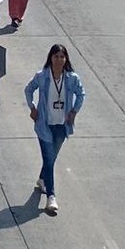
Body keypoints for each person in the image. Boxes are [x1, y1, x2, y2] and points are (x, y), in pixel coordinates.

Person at [24, 44, 85, 213]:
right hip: (44, 124)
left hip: (61, 125)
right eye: (56, 56)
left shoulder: (71, 78)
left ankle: (43, 179)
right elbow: (28, 90)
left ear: (66, 59)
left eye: (61, 57)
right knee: (49, 157)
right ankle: (51, 196)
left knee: (51, 158)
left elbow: (81, 94)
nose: (58, 60)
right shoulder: (42, 76)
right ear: (50, 58)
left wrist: (74, 111)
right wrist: (33, 108)